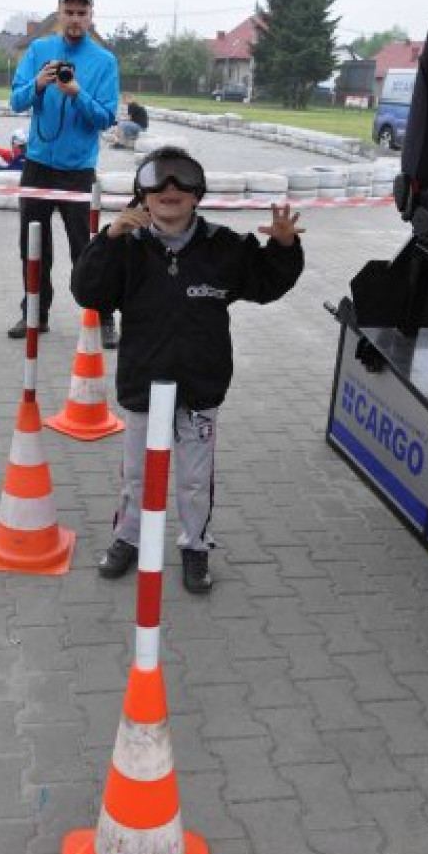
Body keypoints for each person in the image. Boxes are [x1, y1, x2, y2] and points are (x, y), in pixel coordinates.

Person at [70, 146, 305, 593]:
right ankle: (128, 536)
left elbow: (266, 284)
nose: (170, 190)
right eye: (159, 181)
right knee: (136, 473)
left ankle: (195, 544)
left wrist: (284, 247)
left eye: (182, 182)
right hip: (144, 384)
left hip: (200, 386)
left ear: (198, 194)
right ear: (143, 196)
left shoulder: (224, 247)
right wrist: (110, 237)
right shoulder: (127, 247)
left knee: (195, 480)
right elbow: (88, 291)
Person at [7, 0, 121, 349]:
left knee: (84, 249)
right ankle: (35, 314)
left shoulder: (104, 61)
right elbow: (15, 101)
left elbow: (105, 118)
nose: (74, 19)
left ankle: (102, 316)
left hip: (77, 170)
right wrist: (38, 85)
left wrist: (77, 93)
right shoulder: (40, 49)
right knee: (32, 246)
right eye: (68, 12)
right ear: (59, 14)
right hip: (38, 164)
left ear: (91, 17)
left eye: (81, 13)